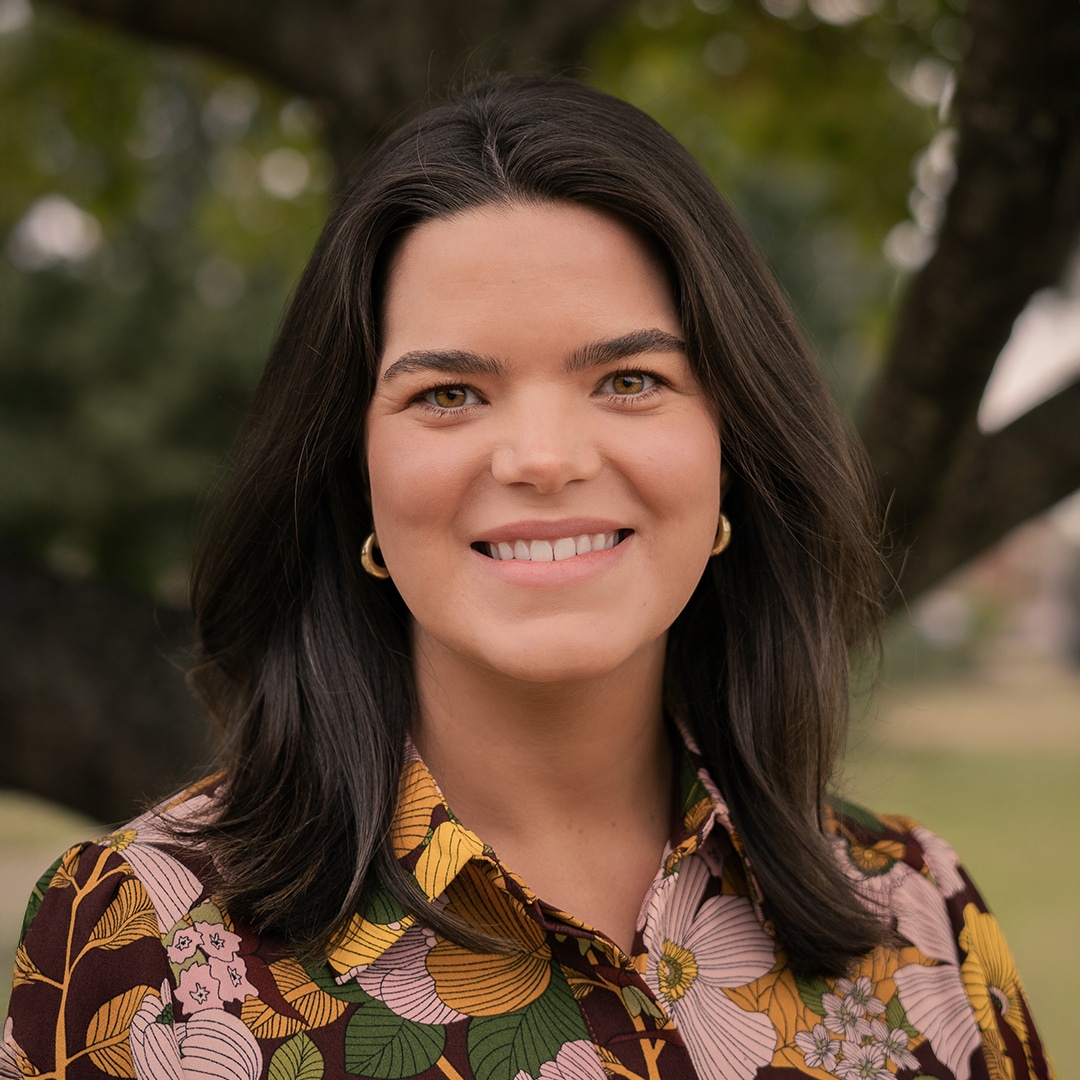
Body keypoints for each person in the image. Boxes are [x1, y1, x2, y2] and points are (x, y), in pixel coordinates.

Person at [3, 76, 1052, 1080]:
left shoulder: (917, 917)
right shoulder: (142, 948)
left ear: (731, 452)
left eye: (630, 379)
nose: (543, 460)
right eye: (449, 394)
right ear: (352, 479)